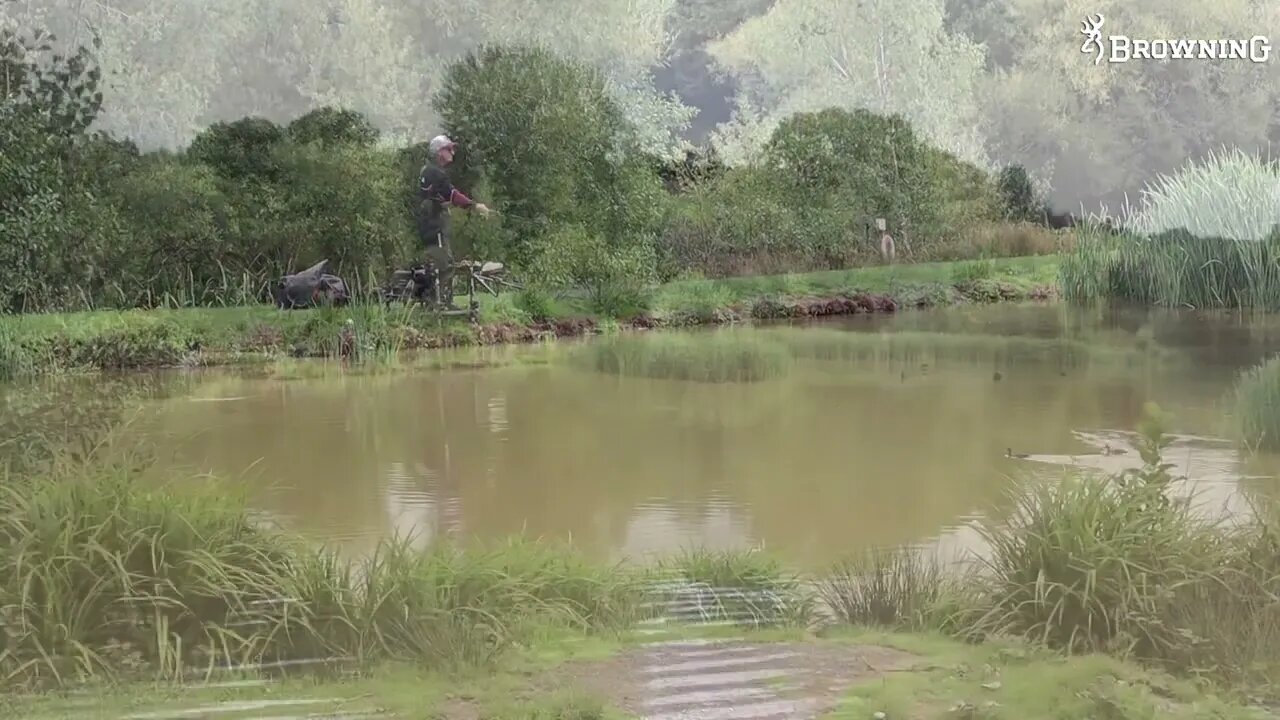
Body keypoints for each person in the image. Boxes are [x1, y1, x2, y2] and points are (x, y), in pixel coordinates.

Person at [416, 134, 491, 307]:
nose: (452, 153)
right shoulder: (435, 172)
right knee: (444, 263)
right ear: (438, 152)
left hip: (429, 224)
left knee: (443, 262)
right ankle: (437, 302)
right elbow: (453, 194)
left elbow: (440, 196)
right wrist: (475, 206)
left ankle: (440, 301)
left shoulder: (428, 171)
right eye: (448, 149)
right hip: (434, 225)